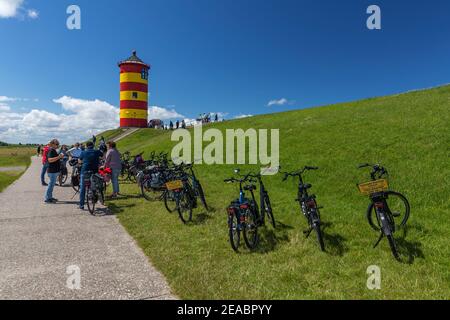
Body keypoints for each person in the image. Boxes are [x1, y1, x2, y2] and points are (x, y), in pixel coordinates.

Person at [78, 141, 103, 210]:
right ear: (93, 145)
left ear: (86, 146)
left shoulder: (83, 152)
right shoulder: (97, 151)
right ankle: (95, 196)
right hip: (94, 171)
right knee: (95, 184)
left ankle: (81, 205)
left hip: (85, 170)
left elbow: (79, 161)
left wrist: (83, 162)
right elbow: (103, 156)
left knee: (82, 188)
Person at [44, 139, 64, 203]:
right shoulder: (51, 150)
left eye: (58, 144)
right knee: (50, 185)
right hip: (52, 171)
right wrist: (59, 157)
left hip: (54, 170)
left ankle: (50, 197)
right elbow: (50, 160)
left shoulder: (53, 150)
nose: (58, 145)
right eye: (56, 144)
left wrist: (59, 157)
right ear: (52, 144)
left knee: (52, 185)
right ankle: (47, 198)